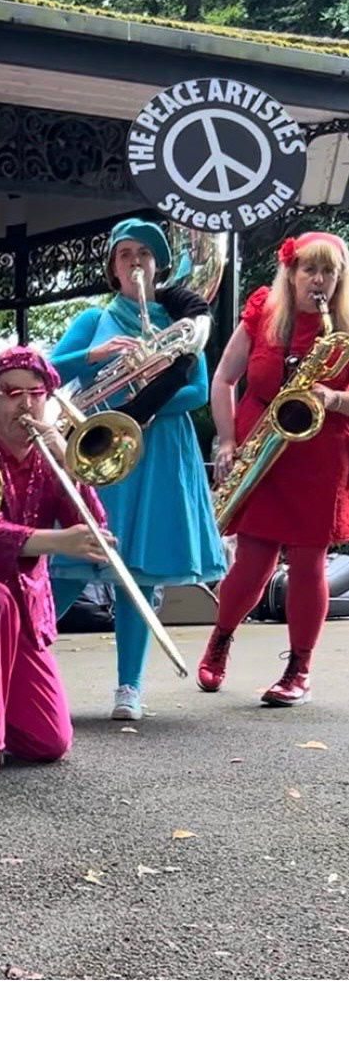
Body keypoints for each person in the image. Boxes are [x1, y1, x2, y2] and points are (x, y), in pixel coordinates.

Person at [48, 216, 224, 722]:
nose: (136, 262)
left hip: (159, 449)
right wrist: (96, 354)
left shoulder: (178, 322)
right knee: (74, 564)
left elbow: (197, 390)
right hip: (101, 449)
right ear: (113, 268)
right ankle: (19, 657)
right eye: (126, 255)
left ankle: (130, 687)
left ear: (159, 266)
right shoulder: (93, 320)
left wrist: (146, 401)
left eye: (144, 254)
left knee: (139, 572)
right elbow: (47, 370)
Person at [0, 347, 109, 782]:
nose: (26, 405)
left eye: (36, 393)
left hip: (24, 612)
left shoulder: (50, 456)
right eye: (12, 393)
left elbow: (95, 527)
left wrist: (68, 463)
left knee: (51, 742)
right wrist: (58, 542)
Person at [199, 230, 349, 705]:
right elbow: (224, 379)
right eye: (310, 269)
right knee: (252, 560)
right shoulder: (264, 310)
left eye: (329, 272)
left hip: (320, 454)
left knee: (308, 562)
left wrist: (334, 398)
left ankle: (299, 668)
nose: (319, 280)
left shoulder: (344, 325)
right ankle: (221, 637)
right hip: (261, 443)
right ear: (292, 272)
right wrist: (226, 440)